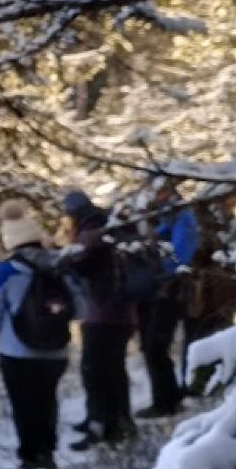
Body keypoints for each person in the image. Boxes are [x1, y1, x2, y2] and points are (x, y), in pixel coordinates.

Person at [0, 201, 73, 469]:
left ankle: (30, 456)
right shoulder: (59, 266)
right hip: (56, 350)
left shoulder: (6, 271)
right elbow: (80, 305)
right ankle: (48, 452)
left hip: (17, 351)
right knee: (47, 399)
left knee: (24, 404)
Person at [59, 190, 137, 451]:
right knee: (114, 370)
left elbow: (83, 267)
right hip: (123, 312)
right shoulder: (109, 226)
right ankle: (120, 422)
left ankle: (100, 424)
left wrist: (66, 258)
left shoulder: (91, 232)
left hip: (103, 313)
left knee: (95, 371)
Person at [139, 183, 197, 418]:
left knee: (156, 346)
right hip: (160, 289)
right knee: (154, 346)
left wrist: (158, 263)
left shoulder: (182, 217)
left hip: (171, 290)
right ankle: (167, 398)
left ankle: (166, 401)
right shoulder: (165, 216)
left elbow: (181, 255)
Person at [185, 193, 236, 391]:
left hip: (221, 293)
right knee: (201, 336)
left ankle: (208, 381)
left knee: (211, 336)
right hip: (208, 293)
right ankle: (197, 383)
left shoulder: (231, 225)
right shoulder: (205, 227)